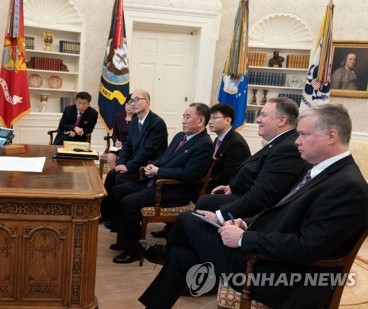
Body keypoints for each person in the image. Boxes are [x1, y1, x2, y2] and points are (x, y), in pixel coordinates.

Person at [137, 104, 368, 309]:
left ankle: (165, 255)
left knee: (188, 219)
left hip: (281, 277)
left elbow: (308, 247)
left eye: (304, 134)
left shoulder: (348, 186)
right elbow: (284, 215)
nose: (297, 141)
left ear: (331, 136)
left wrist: (243, 239)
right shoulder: (322, 171)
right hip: (266, 256)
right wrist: (246, 225)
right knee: (180, 255)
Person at [110, 103, 214, 264]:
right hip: (157, 182)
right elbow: (165, 157)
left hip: (173, 190)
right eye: (183, 117)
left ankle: (134, 250)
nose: (183, 121)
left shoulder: (204, 144)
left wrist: (159, 172)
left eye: (188, 117)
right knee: (119, 190)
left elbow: (190, 174)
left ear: (200, 121)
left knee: (129, 202)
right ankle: (125, 240)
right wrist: (154, 166)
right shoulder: (180, 136)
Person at [196, 97, 310, 224]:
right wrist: (232, 187)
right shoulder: (280, 142)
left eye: (263, 115)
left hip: (261, 212)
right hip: (243, 194)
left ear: (282, 120)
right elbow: (257, 173)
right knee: (200, 207)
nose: (257, 119)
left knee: (198, 209)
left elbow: (263, 196)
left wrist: (221, 217)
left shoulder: (288, 148)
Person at [150, 103, 251, 239]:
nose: (211, 121)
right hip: (211, 182)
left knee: (186, 187)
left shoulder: (235, 143)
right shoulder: (219, 139)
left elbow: (228, 176)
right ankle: (171, 228)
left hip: (227, 190)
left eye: (215, 118)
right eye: (211, 118)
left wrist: (203, 182)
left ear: (228, 120)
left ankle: (181, 235)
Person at [100, 89, 168, 227]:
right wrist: (121, 163)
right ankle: (108, 216)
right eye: (131, 100)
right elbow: (127, 145)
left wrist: (128, 167)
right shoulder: (136, 120)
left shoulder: (157, 123)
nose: (133, 103)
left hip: (148, 167)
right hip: (136, 162)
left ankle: (120, 220)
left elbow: (148, 151)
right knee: (113, 174)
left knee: (119, 178)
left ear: (147, 102)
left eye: (137, 100)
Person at [107, 95, 136, 170]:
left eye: (132, 105)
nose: (129, 107)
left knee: (124, 159)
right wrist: (116, 141)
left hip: (130, 148)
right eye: (127, 104)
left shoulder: (137, 119)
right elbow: (115, 134)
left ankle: (120, 177)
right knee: (110, 157)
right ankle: (113, 176)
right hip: (118, 147)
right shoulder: (119, 116)